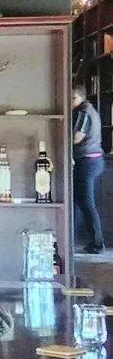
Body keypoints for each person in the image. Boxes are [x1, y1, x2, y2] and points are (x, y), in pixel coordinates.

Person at [72, 85, 106, 254]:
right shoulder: (88, 109)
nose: (71, 102)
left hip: (88, 160)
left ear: (81, 98)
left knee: (86, 202)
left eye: (73, 98)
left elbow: (77, 137)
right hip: (91, 160)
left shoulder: (83, 111)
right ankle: (73, 237)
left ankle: (98, 243)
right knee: (78, 200)